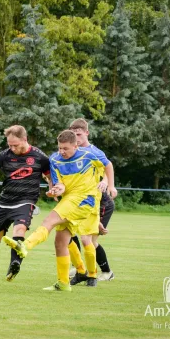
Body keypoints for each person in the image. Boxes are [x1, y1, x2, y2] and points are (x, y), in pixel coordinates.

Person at [4, 130, 115, 291]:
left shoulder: (88, 155)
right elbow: (60, 185)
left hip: (85, 200)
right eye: (60, 148)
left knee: (49, 221)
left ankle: (25, 246)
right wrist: (55, 190)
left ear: (76, 145)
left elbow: (108, 165)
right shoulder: (55, 159)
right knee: (61, 241)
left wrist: (110, 185)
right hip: (69, 199)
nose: (61, 151)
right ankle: (64, 283)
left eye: (65, 148)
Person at [0, 125, 50, 286]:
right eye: (9, 145)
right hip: (5, 201)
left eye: (15, 145)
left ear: (25, 140)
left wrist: (54, 186)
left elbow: (51, 177)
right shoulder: (5, 155)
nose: (12, 148)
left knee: (19, 229)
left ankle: (14, 264)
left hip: (27, 200)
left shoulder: (40, 157)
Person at [67, 118, 118, 284]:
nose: (76, 137)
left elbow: (106, 166)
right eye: (73, 134)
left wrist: (108, 184)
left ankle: (106, 271)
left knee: (90, 241)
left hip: (101, 203)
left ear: (86, 133)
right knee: (68, 233)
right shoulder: (70, 153)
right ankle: (78, 268)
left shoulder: (94, 151)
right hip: (81, 203)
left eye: (79, 134)